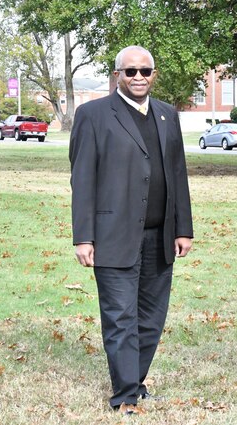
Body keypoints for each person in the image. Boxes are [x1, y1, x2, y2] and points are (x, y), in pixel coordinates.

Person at [70, 45, 193, 415]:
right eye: (130, 72)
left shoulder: (168, 115)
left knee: (152, 318)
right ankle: (125, 394)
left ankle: (136, 381)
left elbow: (177, 174)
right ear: (117, 75)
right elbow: (83, 179)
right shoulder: (93, 114)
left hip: (160, 237)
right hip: (112, 236)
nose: (138, 77)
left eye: (145, 71)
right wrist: (83, 236)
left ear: (154, 74)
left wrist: (182, 229)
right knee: (121, 317)